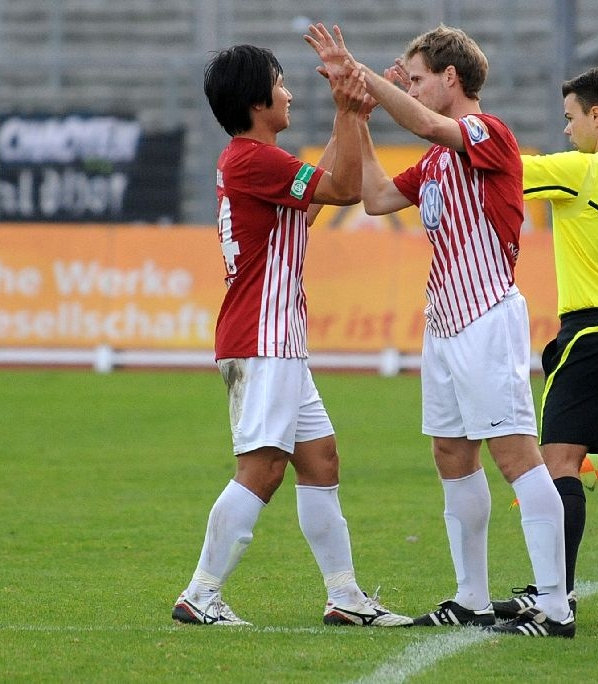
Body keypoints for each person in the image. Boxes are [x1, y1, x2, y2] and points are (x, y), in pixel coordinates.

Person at [305, 23, 574, 638]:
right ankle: (471, 597)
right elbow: (372, 198)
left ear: (452, 78)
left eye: (420, 77)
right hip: (446, 322)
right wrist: (358, 112)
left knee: (515, 455)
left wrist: (359, 71)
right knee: (452, 453)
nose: (417, 89)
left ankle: (556, 607)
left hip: (484, 316)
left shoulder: (489, 132)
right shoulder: (432, 163)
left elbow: (431, 125)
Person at [171, 44, 411, 628]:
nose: (289, 94)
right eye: (281, 86)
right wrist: (348, 110)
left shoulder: (251, 160)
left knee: (320, 460)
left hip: (272, 339)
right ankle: (201, 593)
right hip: (264, 339)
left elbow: (317, 190)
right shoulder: (256, 159)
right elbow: (346, 189)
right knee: (263, 469)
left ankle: (345, 596)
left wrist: (357, 113)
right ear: (258, 102)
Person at [489, 67, 598, 629]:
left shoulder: (582, 170)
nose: (565, 131)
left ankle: (554, 598)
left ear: (597, 116)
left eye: (569, 118)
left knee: (559, 465)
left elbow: (500, 165)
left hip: (590, 335)